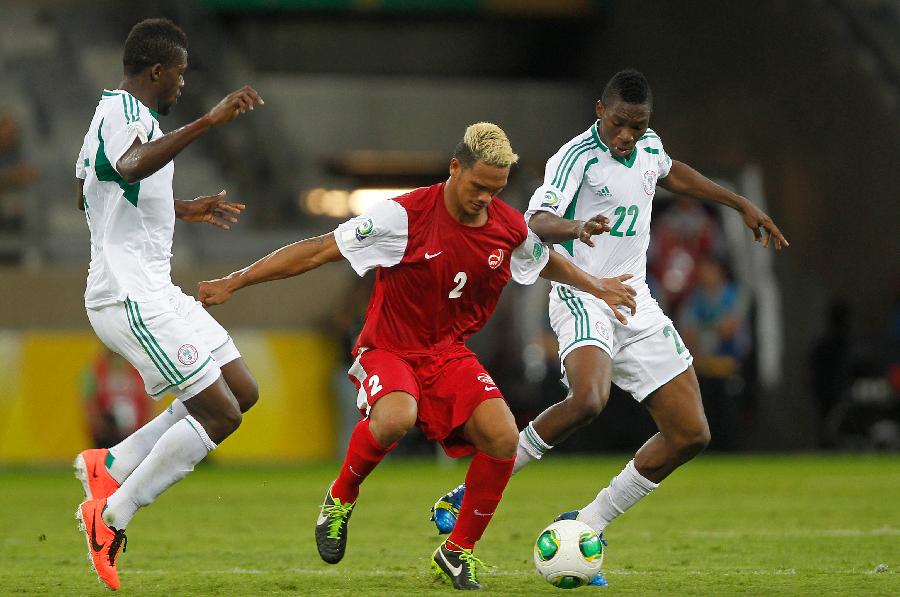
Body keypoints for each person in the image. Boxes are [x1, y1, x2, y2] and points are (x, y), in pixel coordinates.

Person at [198, 122, 637, 590]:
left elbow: (541, 258)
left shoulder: (507, 226)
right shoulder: (401, 217)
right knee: (394, 417)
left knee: (503, 438)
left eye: (496, 190)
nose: (485, 199)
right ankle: (340, 496)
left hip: (447, 355)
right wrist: (235, 281)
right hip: (388, 348)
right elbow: (318, 251)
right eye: (478, 186)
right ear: (454, 168)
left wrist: (598, 286)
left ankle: (456, 553)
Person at [429, 70, 789, 586]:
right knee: (588, 400)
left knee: (690, 434)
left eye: (637, 127)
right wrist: (575, 227)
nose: (627, 136)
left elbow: (671, 171)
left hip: (634, 303)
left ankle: (587, 523)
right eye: (620, 124)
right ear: (601, 110)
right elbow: (535, 221)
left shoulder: (648, 146)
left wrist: (739, 203)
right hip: (582, 292)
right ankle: (470, 491)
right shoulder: (574, 157)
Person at [72, 18, 264, 591]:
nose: (184, 83)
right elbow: (129, 166)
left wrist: (178, 208)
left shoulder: (126, 119)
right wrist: (210, 120)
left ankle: (111, 463)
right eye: (180, 73)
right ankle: (111, 516)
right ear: (158, 71)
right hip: (128, 296)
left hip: (157, 289)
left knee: (243, 392)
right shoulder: (120, 114)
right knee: (220, 414)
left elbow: (102, 186)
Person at [82, 346, 154, 448]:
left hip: (133, 432)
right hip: (107, 432)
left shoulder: (138, 371)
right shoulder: (96, 371)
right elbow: (89, 401)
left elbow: (147, 400)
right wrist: (98, 425)